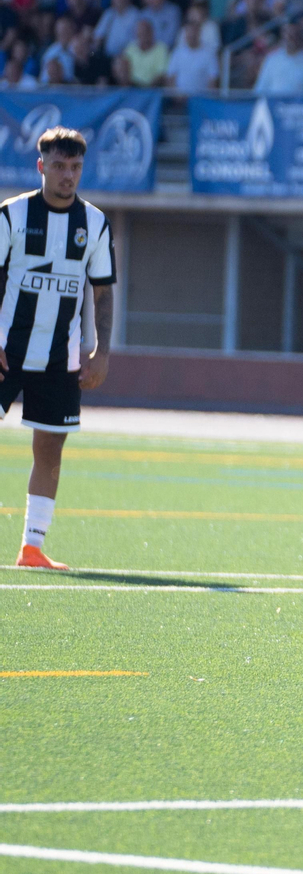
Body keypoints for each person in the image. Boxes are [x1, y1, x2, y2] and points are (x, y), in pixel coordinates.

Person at [8, 129, 117, 570]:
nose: (67, 175)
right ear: (41, 166)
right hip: (6, 348)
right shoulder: (12, 215)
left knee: (50, 449)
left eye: (75, 168)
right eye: (58, 166)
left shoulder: (93, 223)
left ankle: (32, 548)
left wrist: (102, 352)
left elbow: (104, 291)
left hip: (60, 355)